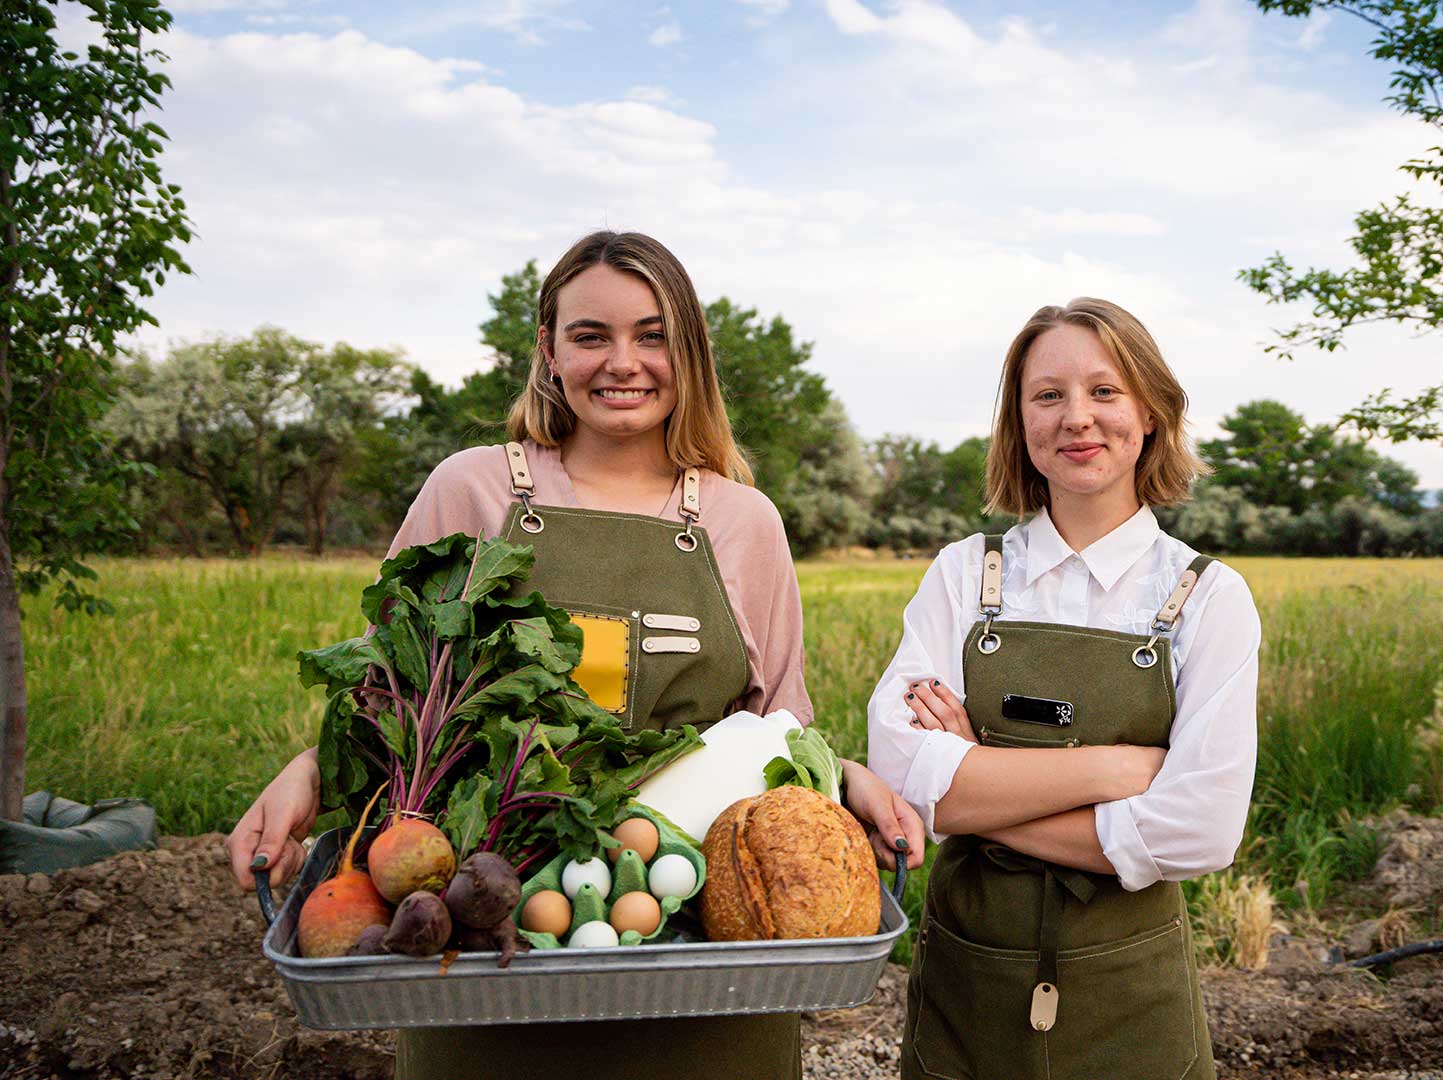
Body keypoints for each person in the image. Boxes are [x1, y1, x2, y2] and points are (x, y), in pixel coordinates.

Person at [225, 230, 924, 1080]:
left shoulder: (745, 522)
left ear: (690, 354)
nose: (622, 362)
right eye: (591, 335)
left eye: (652, 334)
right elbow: (388, 699)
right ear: (549, 352)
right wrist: (310, 770)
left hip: (699, 954)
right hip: (484, 946)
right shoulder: (473, 489)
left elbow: (776, 724)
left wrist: (844, 774)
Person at [867, 298, 1259, 1080]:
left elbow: (1200, 833)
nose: (1077, 417)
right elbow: (904, 781)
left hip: (1132, 996)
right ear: (1021, 422)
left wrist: (980, 783)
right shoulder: (961, 574)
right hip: (966, 992)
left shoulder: (1208, 597)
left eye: (1104, 391)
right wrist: (1115, 772)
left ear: (1149, 412)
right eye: (1048, 395)